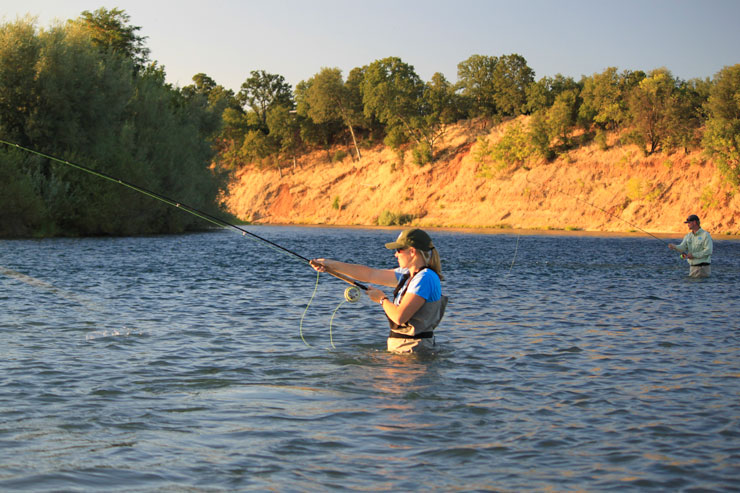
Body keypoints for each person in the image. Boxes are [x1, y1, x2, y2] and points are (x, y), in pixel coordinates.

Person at [310, 228, 448, 353]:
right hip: (404, 349)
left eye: (399, 250)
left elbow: (400, 317)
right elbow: (369, 274)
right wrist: (330, 265)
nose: (395, 255)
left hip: (414, 351)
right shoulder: (408, 275)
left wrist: (382, 299)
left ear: (412, 251)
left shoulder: (425, 278)